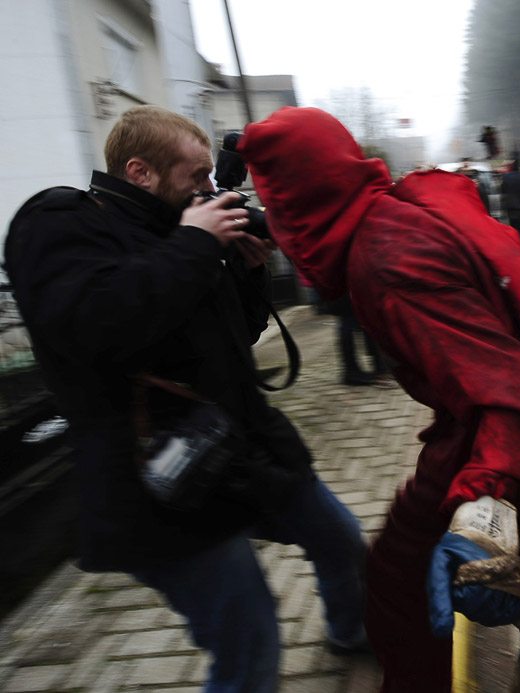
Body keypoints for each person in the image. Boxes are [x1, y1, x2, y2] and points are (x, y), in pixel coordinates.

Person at [237, 107, 520, 693]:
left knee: (400, 581)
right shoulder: (397, 214)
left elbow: (507, 391)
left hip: (500, 437)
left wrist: (487, 506)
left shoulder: (385, 258)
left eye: (275, 202)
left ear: (296, 200)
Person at [3, 106, 368, 692]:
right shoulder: (58, 222)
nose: (208, 188)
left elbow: (232, 337)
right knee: (248, 637)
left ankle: (354, 631)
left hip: (243, 443)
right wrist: (196, 243)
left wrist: (245, 272)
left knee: (342, 540)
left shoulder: (179, 229)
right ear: (140, 172)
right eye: (196, 175)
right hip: (159, 477)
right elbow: (97, 328)